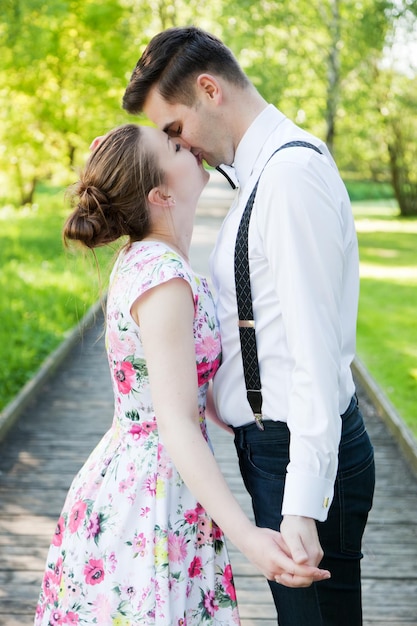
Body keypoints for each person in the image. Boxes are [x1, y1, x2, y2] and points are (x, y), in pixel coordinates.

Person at [121, 26, 376, 626]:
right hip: (273, 449)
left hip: (297, 453)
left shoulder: (288, 178)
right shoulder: (262, 175)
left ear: (209, 89)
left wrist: (303, 505)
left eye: (176, 131)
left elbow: (313, 354)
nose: (181, 149)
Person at [34, 123, 330, 626]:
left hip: (154, 481)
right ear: (160, 193)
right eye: (175, 147)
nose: (190, 145)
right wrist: (251, 540)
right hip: (150, 495)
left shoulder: (153, 261)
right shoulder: (164, 280)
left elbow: (199, 394)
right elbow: (176, 422)